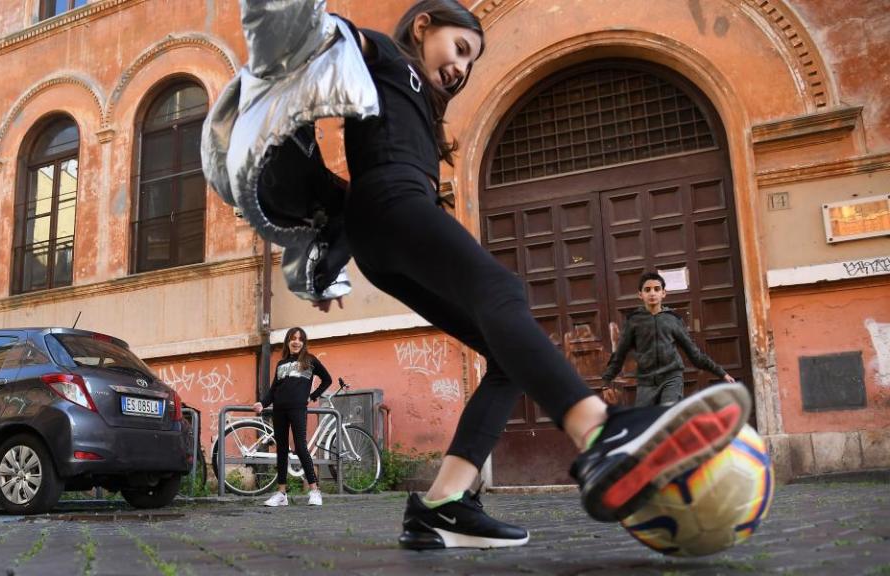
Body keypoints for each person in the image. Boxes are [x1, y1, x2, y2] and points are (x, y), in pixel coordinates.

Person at [204, 0, 750, 550]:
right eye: (461, 48)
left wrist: (336, 255)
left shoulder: (416, 102)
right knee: (503, 290)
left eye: (472, 62)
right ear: (423, 26)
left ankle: (444, 505)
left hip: (384, 229)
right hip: (391, 208)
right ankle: (601, 431)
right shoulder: (393, 59)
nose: (463, 68)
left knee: (505, 358)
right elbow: (324, 31)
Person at [602, 271, 737, 408]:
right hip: (646, 381)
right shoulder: (634, 321)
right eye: (647, 290)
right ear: (640, 295)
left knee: (668, 414)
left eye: (657, 289)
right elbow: (620, 354)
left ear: (663, 293)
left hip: (671, 378)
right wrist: (606, 381)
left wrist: (721, 373)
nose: (652, 293)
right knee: (646, 421)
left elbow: (694, 354)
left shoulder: (673, 320)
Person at [252, 327, 332, 507]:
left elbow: (327, 379)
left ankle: (314, 491)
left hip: (298, 409)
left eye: (300, 339)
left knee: (301, 447)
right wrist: (262, 404)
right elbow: (273, 390)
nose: (296, 342)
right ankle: (281, 494)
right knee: (281, 450)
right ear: (288, 341)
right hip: (279, 410)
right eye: (293, 338)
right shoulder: (281, 364)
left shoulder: (310, 361)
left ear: (303, 343)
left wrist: (312, 396)